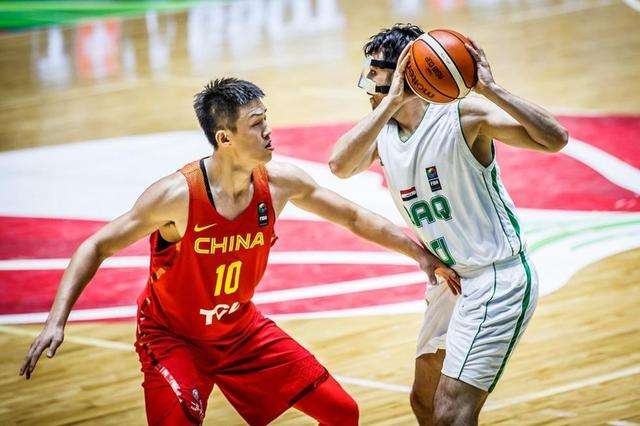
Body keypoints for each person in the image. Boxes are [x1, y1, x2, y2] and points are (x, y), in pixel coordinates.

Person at [20, 77, 459, 426]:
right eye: (256, 123)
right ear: (225, 137)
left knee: (343, 413)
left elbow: (355, 218)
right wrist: (56, 322)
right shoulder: (177, 195)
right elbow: (95, 244)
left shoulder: (281, 182)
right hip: (173, 338)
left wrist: (419, 254)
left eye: (266, 119)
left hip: (241, 331)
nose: (269, 131)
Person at [329, 24, 568, 425]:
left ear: (407, 71)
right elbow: (339, 166)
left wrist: (491, 89)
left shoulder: (463, 116)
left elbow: (554, 139)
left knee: (451, 412)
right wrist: (389, 104)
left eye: (377, 73)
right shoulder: (382, 128)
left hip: (496, 278)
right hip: (449, 281)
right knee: (424, 402)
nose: (369, 82)